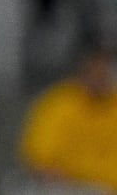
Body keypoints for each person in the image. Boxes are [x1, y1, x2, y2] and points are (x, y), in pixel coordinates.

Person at [19, 47, 117, 193]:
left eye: (103, 72)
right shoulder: (60, 102)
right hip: (61, 185)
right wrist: (49, 170)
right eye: (93, 71)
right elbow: (38, 152)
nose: (98, 77)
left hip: (104, 187)